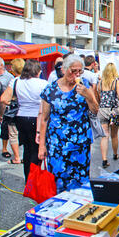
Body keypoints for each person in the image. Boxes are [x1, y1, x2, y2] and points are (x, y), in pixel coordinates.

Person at [38, 54, 98, 193]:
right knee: (58, 180)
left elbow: (95, 111)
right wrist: (42, 146)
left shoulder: (85, 85)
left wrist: (89, 96)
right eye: (73, 71)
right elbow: (44, 118)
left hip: (80, 144)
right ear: (64, 70)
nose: (76, 74)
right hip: (57, 144)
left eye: (80, 71)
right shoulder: (51, 89)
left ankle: (77, 209)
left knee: (81, 182)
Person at [97, 62, 119, 168]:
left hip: (102, 111)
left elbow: (99, 97)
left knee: (104, 136)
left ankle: (104, 159)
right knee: (114, 135)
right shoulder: (116, 82)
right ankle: (115, 154)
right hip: (114, 111)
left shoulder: (100, 83)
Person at [0, 58, 25, 165]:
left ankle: (17, 157)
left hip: (14, 112)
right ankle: (24, 156)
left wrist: (11, 102)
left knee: (13, 135)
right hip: (27, 112)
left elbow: (3, 99)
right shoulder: (29, 80)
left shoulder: (14, 81)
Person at [0, 57, 15, 161]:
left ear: (1, 65)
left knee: (5, 129)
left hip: (5, 107)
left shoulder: (9, 77)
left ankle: (4, 149)